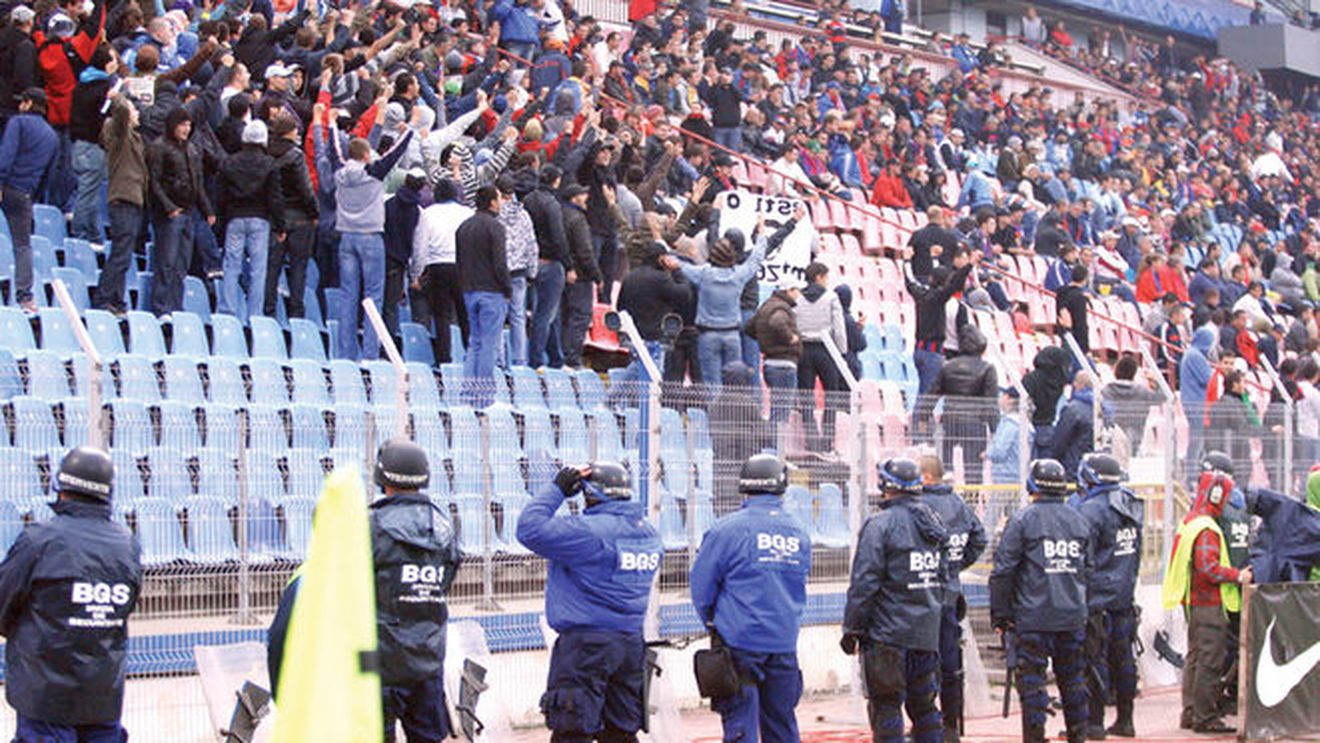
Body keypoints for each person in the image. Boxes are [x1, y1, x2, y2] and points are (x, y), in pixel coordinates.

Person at [0, 446, 142, 741]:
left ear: (60, 486)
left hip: (44, 701)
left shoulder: (39, 540)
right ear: (108, 492)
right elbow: (126, 607)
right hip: (102, 699)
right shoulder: (126, 544)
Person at [516, 462, 663, 742]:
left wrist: (557, 489)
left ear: (589, 493)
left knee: (573, 729)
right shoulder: (649, 534)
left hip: (586, 647)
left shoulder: (587, 532)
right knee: (621, 731)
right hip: (630, 642)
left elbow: (529, 529)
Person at [690, 453, 812, 742]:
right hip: (783, 642)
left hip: (739, 642)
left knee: (740, 725)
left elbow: (702, 586)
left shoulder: (726, 530)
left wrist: (712, 622)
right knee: (782, 725)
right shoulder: (799, 532)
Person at [841, 457, 948, 743]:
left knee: (886, 708)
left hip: (887, 638)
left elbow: (865, 583)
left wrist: (852, 629)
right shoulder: (933, 522)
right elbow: (943, 578)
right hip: (925, 636)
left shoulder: (880, 525)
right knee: (925, 709)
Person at [990, 458, 1092, 743]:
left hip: (1032, 619)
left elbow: (1003, 571)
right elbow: (1089, 570)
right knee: (1073, 681)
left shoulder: (1022, 520)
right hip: (1071, 617)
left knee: (1032, 684)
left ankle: (1034, 737)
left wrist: (1001, 615)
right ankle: (1078, 736)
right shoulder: (1079, 520)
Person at [368, 439, 461, 742]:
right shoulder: (444, 527)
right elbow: (445, 580)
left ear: (382, 477)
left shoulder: (370, 525)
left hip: (377, 659)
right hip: (428, 656)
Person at [1160, 452, 1251, 734]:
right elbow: (1209, 568)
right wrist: (1238, 575)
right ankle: (1205, 717)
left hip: (1194, 602)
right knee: (1210, 661)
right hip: (1209, 603)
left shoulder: (1191, 520)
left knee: (1196, 659)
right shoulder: (1208, 528)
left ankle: (1191, 713)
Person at [318, 104, 413, 361]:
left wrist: (330, 123)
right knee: (373, 296)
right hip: (371, 237)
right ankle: (370, 354)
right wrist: (410, 127)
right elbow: (396, 152)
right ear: (365, 155)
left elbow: (333, 149)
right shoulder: (374, 172)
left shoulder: (339, 171)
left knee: (349, 295)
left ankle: (346, 354)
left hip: (346, 237)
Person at [680, 211, 798, 389]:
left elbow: (712, 233)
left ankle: (717, 412)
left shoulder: (713, 266)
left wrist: (716, 214)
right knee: (750, 367)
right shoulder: (744, 268)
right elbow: (771, 243)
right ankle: (753, 408)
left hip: (720, 323)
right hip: (747, 317)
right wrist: (788, 223)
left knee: (716, 375)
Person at [1071, 453, 1143, 738]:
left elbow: (1084, 560)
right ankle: (1126, 720)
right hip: (1124, 595)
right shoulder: (1130, 503)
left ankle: (1095, 723)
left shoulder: (1091, 510)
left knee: (1094, 659)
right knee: (1124, 659)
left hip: (1098, 599)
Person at [918, 455, 988, 742]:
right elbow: (979, 539)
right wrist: (957, 567)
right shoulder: (959, 503)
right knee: (951, 664)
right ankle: (950, 726)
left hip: (924, 596)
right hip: (950, 595)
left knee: (923, 665)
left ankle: (928, 725)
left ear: (926, 477)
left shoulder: (921, 507)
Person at [147, 106, 211, 317]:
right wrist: (169, 207)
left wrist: (207, 209)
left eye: (189, 125)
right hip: (169, 214)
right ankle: (161, 307)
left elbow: (198, 182)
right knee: (166, 261)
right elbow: (153, 181)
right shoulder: (159, 147)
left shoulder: (191, 149)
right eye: (183, 125)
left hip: (189, 211)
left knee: (181, 263)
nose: (186, 129)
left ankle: (175, 306)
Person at [218, 118, 284, 319]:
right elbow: (275, 197)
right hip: (260, 219)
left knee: (231, 265)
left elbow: (221, 194)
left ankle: (227, 310)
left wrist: (221, 220)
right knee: (258, 269)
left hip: (235, 217)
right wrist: (280, 225)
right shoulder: (270, 164)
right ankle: (254, 314)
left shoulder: (230, 162)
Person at [0, 87, 57, 313]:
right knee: (22, 246)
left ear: (28, 103)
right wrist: (32, 194)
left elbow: (7, 154)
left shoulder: (18, 123)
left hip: (6, 185)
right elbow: (49, 175)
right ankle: (25, 297)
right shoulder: (52, 136)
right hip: (25, 193)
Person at [920, 324, 999, 483]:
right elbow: (991, 403)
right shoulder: (987, 369)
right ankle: (972, 502)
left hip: (949, 420)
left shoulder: (947, 366)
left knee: (946, 466)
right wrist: (994, 429)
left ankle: (945, 495)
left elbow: (932, 394)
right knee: (974, 468)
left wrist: (923, 417)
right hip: (974, 423)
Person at [456, 186, 510, 407]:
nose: (502, 203)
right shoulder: (495, 228)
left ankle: (468, 393)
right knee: (489, 343)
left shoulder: (463, 227)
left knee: (474, 343)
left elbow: (459, 261)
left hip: (469, 291)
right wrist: (507, 288)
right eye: (499, 199)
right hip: (492, 292)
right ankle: (485, 397)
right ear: (491, 202)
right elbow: (500, 263)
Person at [92, 93, 145, 316]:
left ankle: (116, 299)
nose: (137, 113)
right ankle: (104, 297)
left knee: (123, 254)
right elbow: (121, 111)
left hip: (134, 200)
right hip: (123, 199)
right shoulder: (119, 135)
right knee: (120, 254)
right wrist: (120, 94)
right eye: (135, 109)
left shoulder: (135, 137)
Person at [412, 179, 473, 365]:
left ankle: (443, 358)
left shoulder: (427, 214)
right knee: (465, 315)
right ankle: (471, 357)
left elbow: (420, 246)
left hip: (437, 265)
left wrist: (416, 273)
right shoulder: (467, 213)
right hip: (463, 265)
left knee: (441, 315)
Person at [264, 114, 318, 319]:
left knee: (272, 267)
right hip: (300, 216)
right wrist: (314, 211)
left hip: (275, 216)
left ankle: (268, 311)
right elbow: (305, 188)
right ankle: (296, 314)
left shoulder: (267, 153)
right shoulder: (295, 155)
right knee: (298, 268)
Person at [794, 261, 848, 451]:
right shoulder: (831, 297)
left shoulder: (797, 297)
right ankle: (827, 438)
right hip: (826, 348)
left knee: (806, 395)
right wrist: (841, 352)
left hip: (804, 348)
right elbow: (839, 328)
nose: (827, 281)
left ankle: (811, 437)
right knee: (831, 394)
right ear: (819, 277)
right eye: (826, 277)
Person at [907, 255, 975, 395]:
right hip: (933, 351)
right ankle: (921, 418)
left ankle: (920, 416)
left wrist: (907, 261)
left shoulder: (920, 293)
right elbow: (955, 284)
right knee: (927, 395)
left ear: (931, 279)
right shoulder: (940, 298)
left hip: (919, 349)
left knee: (923, 392)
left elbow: (909, 281)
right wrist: (969, 265)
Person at [525, 164, 571, 369]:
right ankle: (536, 361)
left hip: (532, 261)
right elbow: (558, 237)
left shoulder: (528, 199)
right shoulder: (552, 204)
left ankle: (556, 359)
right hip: (551, 262)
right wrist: (568, 264)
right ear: (555, 181)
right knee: (544, 315)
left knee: (550, 314)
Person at [748, 280, 802, 425]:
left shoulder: (766, 306)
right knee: (782, 410)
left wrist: (765, 339)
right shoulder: (782, 308)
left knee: (777, 407)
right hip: (784, 364)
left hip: (769, 363)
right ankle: (775, 444)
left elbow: (749, 328)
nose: (799, 294)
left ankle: (773, 442)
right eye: (797, 290)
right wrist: (791, 337)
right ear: (789, 290)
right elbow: (777, 322)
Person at [1049, 370, 1099, 479]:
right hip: (1097, 468)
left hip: (1074, 468)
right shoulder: (1103, 409)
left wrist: (1052, 460)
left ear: (1077, 384)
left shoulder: (1072, 409)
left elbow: (1060, 441)